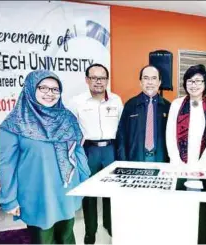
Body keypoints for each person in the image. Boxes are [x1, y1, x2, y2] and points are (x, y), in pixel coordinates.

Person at [0, 70, 91, 244]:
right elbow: (6, 165)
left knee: (67, 237)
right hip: (38, 195)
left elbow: (78, 151)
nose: (50, 93)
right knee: (43, 239)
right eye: (43, 88)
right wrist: (9, 199)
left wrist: (85, 181)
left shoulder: (67, 118)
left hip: (67, 191)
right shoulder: (13, 125)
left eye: (55, 89)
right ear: (30, 88)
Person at [165, 64, 206, 244]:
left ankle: (200, 240)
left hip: (202, 166)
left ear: (205, 84)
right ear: (185, 83)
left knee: (201, 206)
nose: (194, 85)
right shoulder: (176, 104)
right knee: (180, 204)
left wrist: (201, 165)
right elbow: (170, 135)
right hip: (178, 164)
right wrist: (177, 161)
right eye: (190, 81)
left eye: (198, 81)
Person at [68, 63, 124, 244]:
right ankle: (90, 230)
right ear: (87, 80)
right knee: (89, 192)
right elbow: (71, 129)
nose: (98, 82)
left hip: (111, 149)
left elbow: (122, 127)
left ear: (107, 80)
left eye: (102, 78)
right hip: (89, 150)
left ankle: (110, 224)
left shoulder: (116, 100)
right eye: (94, 78)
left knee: (112, 190)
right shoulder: (77, 101)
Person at [116, 65, 171, 162]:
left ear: (159, 82)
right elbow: (121, 136)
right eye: (146, 78)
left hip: (161, 160)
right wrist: (122, 161)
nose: (150, 82)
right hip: (136, 159)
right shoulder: (130, 105)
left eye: (154, 78)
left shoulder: (168, 107)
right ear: (140, 82)